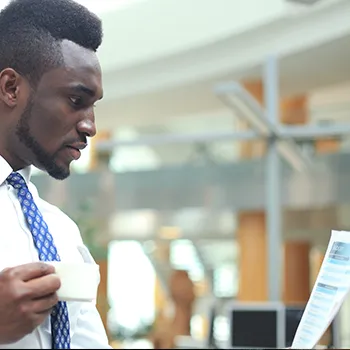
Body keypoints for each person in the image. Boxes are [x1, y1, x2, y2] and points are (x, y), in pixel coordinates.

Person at [0, 0, 111, 348]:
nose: (90, 126)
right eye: (76, 101)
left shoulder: (61, 231)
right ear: (11, 88)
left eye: (94, 107)